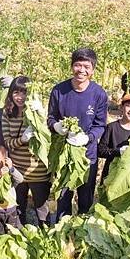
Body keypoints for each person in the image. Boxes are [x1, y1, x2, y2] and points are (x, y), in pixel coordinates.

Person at [48, 48, 108, 220]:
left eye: (86, 66)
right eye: (77, 65)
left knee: (85, 198)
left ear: (93, 69)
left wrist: (87, 138)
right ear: (72, 66)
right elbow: (51, 118)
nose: (81, 70)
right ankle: (61, 231)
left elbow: (100, 125)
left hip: (87, 156)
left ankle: (83, 232)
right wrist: (57, 126)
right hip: (63, 155)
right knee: (63, 196)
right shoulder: (59, 91)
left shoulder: (99, 94)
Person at [2, 76, 51, 226]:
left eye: (24, 93)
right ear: (11, 94)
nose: (20, 97)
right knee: (19, 207)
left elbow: (48, 139)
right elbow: (8, 143)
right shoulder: (7, 113)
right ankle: (20, 235)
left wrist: (42, 116)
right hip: (18, 171)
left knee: (42, 209)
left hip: (39, 171)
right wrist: (22, 140)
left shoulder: (37, 113)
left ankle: (46, 236)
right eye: (16, 93)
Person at [98, 93, 130, 182]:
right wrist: (118, 151)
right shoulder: (111, 127)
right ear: (121, 107)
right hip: (110, 174)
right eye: (128, 106)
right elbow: (101, 151)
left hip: (128, 176)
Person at [0, 145, 24, 234]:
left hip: (10, 208)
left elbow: (20, 179)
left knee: (12, 231)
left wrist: (11, 168)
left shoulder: (10, 171)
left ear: (5, 160)